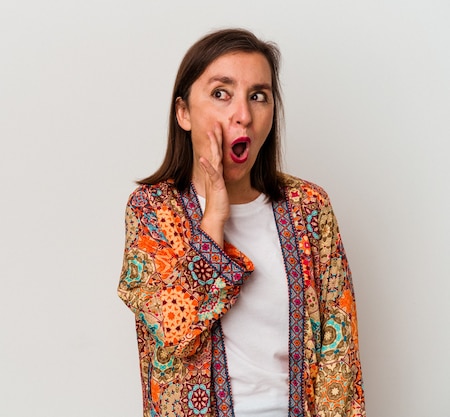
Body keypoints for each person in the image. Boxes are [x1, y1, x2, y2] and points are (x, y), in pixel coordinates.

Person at [117, 28, 365, 417]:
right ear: (183, 112)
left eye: (258, 96)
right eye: (221, 93)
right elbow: (173, 331)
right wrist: (214, 216)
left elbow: (340, 354)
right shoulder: (152, 210)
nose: (243, 115)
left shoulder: (309, 208)